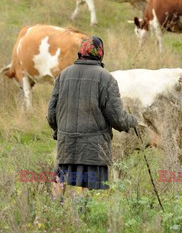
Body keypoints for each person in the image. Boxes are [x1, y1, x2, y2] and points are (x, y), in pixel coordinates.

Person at [47, 36, 137, 198]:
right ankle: (83, 218)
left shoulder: (63, 75)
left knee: (59, 178)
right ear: (100, 53)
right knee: (87, 185)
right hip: (93, 148)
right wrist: (133, 120)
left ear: (81, 52)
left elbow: (51, 113)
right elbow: (118, 119)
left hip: (66, 142)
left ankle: (57, 214)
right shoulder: (106, 79)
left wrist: (59, 133)